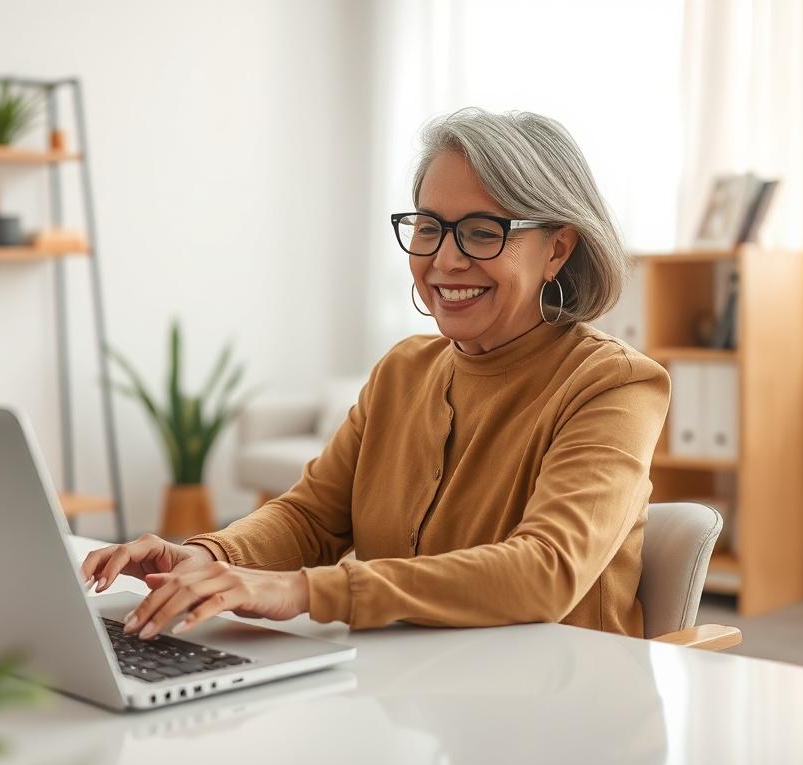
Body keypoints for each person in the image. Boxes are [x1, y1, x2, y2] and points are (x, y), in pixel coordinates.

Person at [81, 107, 670, 641]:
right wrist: (210, 556)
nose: (445, 259)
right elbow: (310, 518)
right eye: (430, 227)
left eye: (484, 232)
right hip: (414, 697)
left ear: (558, 249)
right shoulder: (403, 371)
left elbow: (547, 570)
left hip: (563, 709)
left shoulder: (614, 385)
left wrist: (307, 591)